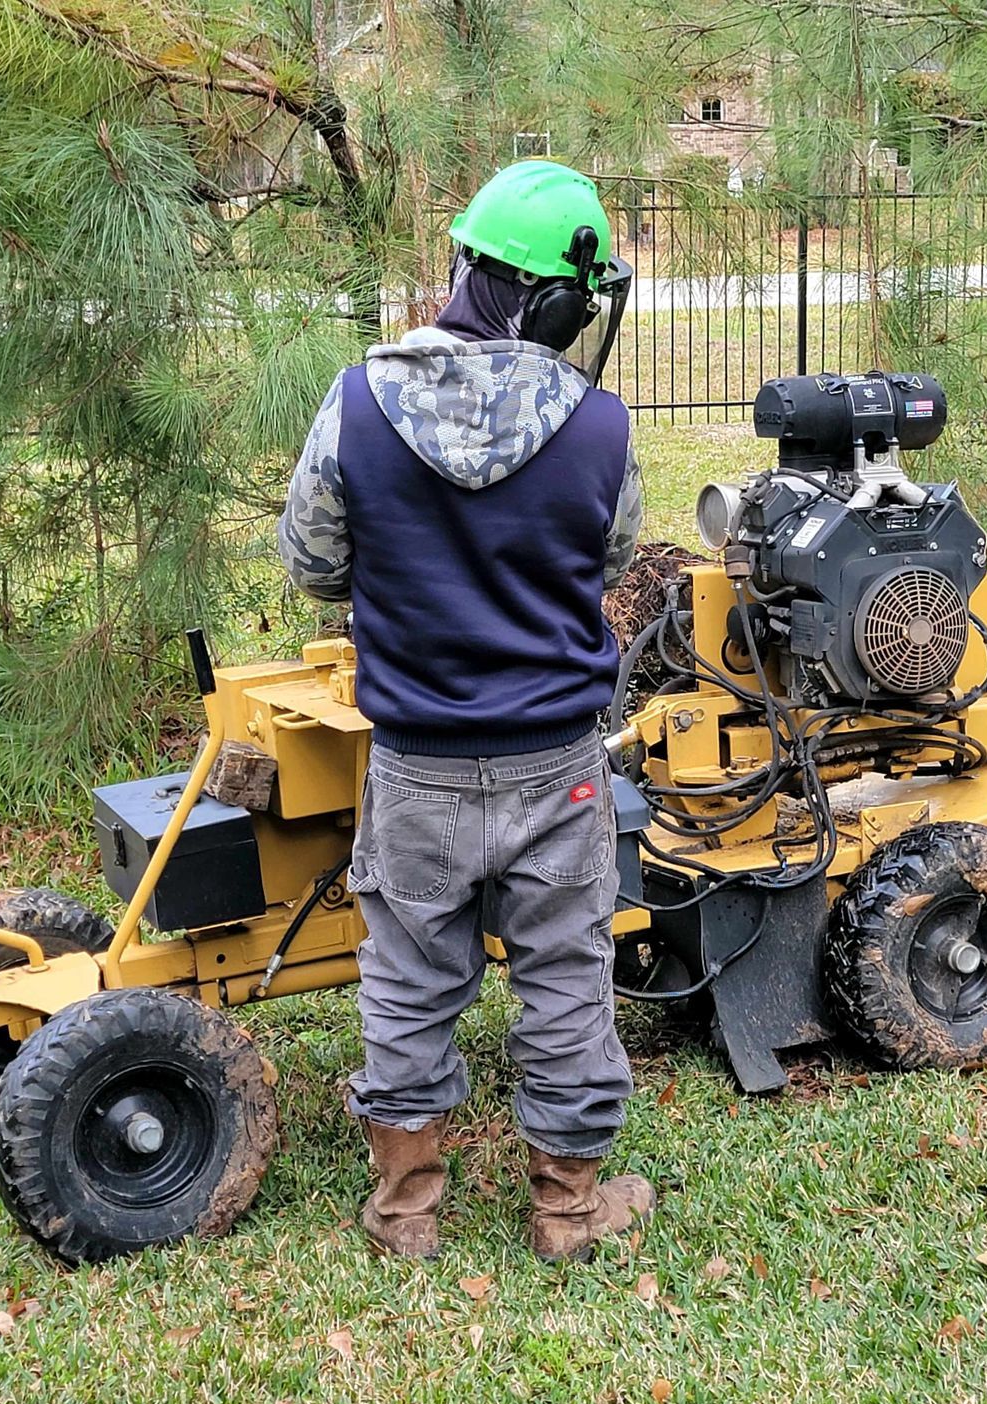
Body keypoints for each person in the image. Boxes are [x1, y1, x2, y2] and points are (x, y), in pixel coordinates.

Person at [277, 162, 650, 1262]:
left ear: (464, 266)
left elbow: (311, 563)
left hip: (418, 766)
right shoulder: (603, 428)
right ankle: (568, 1215)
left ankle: (406, 1216)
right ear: (559, 303)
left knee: (406, 983)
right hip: (557, 765)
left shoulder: (356, 404)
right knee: (568, 988)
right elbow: (609, 553)